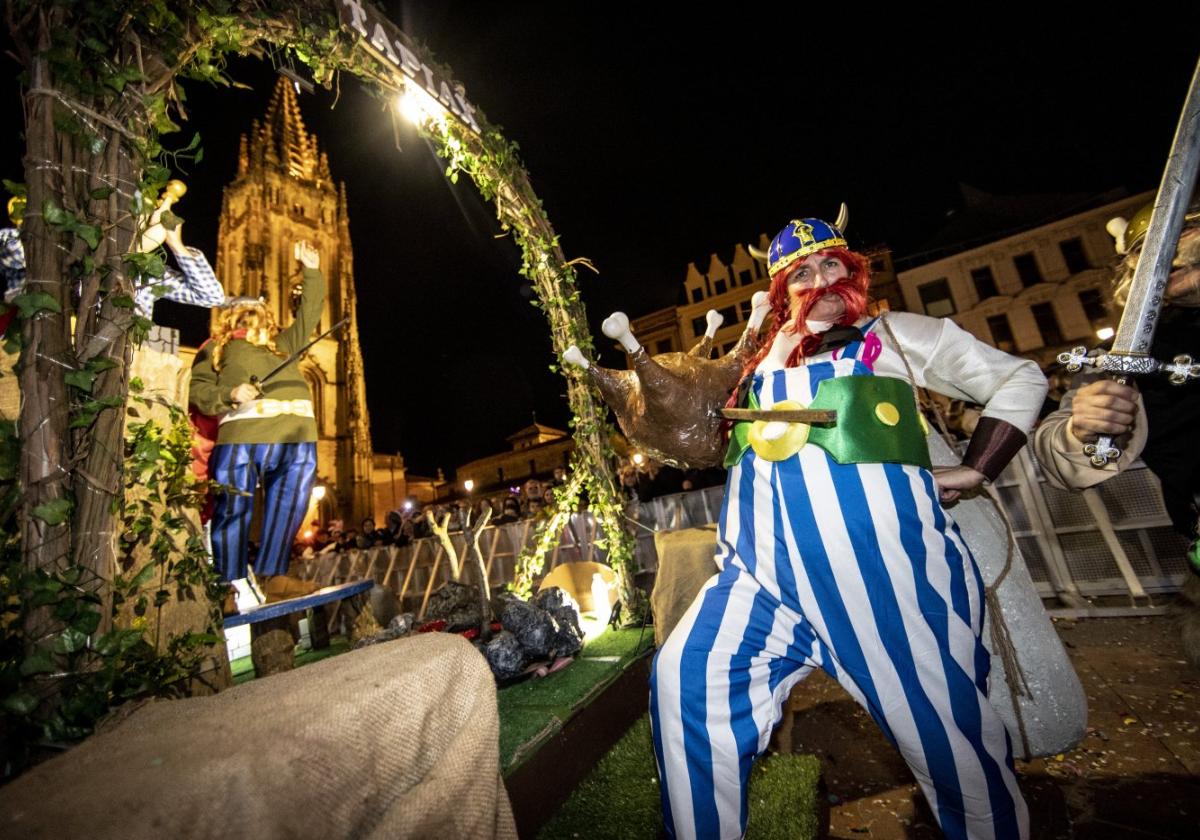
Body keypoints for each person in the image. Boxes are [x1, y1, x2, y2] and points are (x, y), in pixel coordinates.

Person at [650, 215, 1045, 840]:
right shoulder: (754, 362)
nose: (821, 280)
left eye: (832, 264)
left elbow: (1020, 378)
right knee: (686, 681)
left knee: (955, 754)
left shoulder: (899, 334)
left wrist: (975, 469)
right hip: (759, 578)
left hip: (886, 578)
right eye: (802, 273)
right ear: (782, 290)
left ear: (854, 270)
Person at [1033, 201, 1200, 545]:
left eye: (1185, 231)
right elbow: (1059, 460)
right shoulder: (1129, 359)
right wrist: (1081, 429)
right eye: (1143, 249)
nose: (1170, 251)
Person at [187, 240, 323, 602]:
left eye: (257, 308)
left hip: (297, 437)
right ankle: (226, 587)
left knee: (291, 503)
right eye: (242, 308)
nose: (250, 312)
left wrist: (311, 271)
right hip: (241, 437)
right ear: (230, 316)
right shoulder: (213, 350)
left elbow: (309, 313)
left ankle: (274, 576)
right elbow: (198, 391)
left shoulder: (284, 343)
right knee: (234, 509)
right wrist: (229, 395)